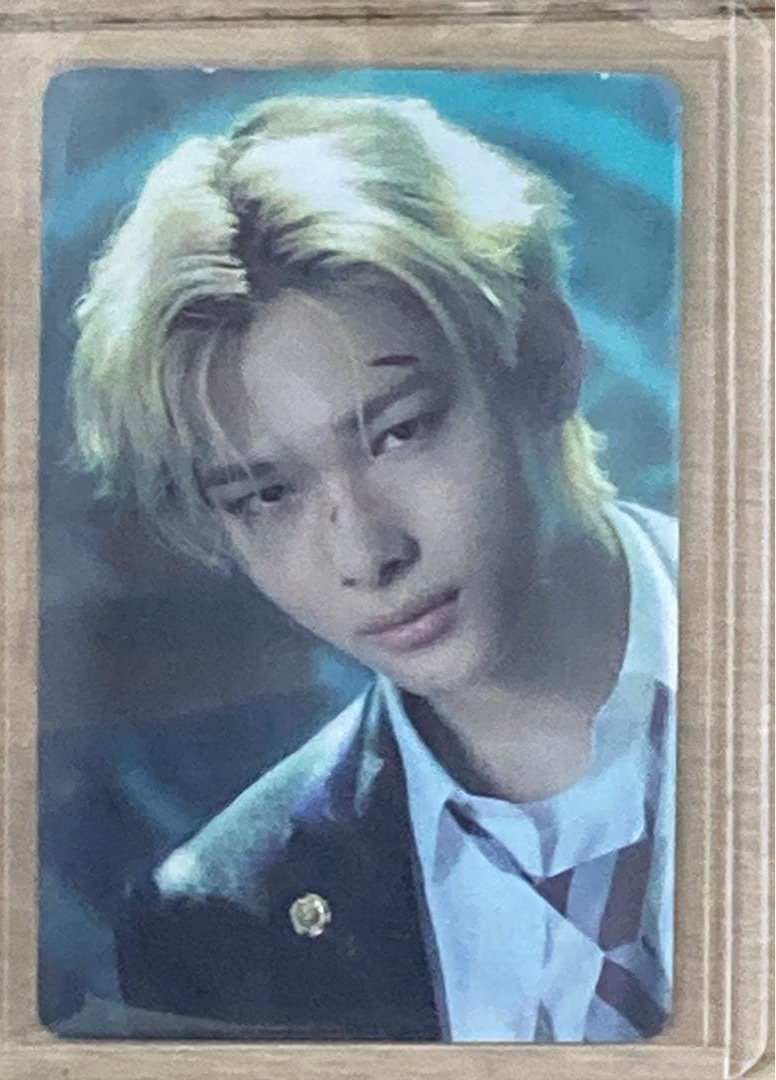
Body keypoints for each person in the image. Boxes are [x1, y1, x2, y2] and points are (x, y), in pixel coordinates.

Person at [68, 95, 677, 1042]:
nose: (365, 555)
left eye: (400, 431)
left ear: (546, 359)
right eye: (267, 494)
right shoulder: (215, 925)